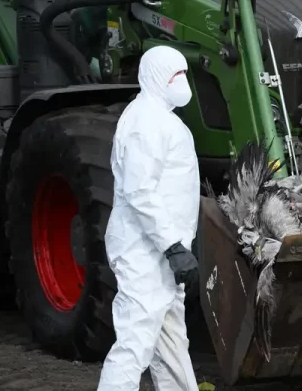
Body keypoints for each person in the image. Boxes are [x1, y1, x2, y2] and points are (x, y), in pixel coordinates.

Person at [98, 45, 201, 391]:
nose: (182, 81)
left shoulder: (159, 117)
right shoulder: (146, 121)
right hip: (144, 253)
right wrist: (173, 246)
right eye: (176, 75)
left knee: (171, 344)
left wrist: (176, 248)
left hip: (160, 257)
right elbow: (140, 191)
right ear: (156, 77)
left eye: (185, 73)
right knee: (133, 346)